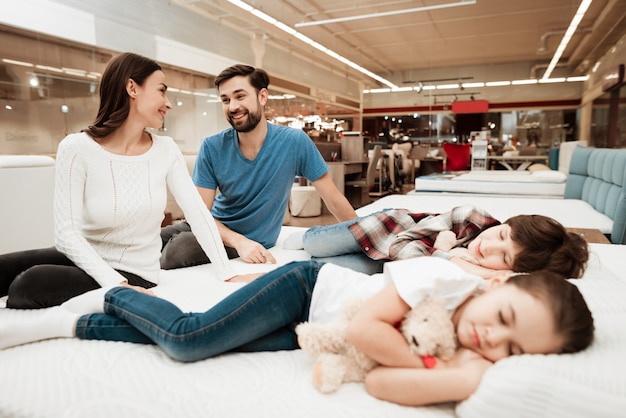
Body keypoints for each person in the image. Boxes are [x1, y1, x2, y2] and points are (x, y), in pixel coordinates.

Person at [0, 256, 594, 407]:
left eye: (514, 348)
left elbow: (384, 384)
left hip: (310, 330)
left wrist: (463, 380)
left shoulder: (466, 349)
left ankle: (75, 324)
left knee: (203, 345)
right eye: (506, 320)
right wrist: (442, 371)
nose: (494, 341)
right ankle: (116, 293)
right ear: (499, 287)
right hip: (305, 290)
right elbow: (366, 329)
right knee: (190, 339)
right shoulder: (442, 281)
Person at [0, 52, 245, 309]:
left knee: (29, 283)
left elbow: (197, 214)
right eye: (162, 91)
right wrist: (111, 282)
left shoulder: (166, 150)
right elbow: (66, 235)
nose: (168, 103)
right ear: (132, 88)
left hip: (135, 273)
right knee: (4, 267)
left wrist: (227, 272)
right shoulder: (75, 148)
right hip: (86, 258)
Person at [159, 64, 357, 269]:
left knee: (177, 250)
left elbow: (333, 198)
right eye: (225, 100)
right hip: (215, 227)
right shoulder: (212, 146)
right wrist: (238, 242)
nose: (232, 106)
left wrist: (363, 237)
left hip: (250, 236)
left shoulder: (294, 142)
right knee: (149, 240)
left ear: (262, 97)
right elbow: (200, 214)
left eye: (240, 96)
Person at [285, 204, 588, 278]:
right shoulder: (472, 218)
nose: (489, 246)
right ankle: (304, 234)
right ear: (505, 224)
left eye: (505, 257)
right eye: (502, 235)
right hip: (385, 228)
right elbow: (401, 245)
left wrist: (445, 254)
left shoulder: (489, 275)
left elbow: (409, 265)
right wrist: (447, 257)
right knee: (314, 245)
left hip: (383, 263)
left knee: (323, 268)